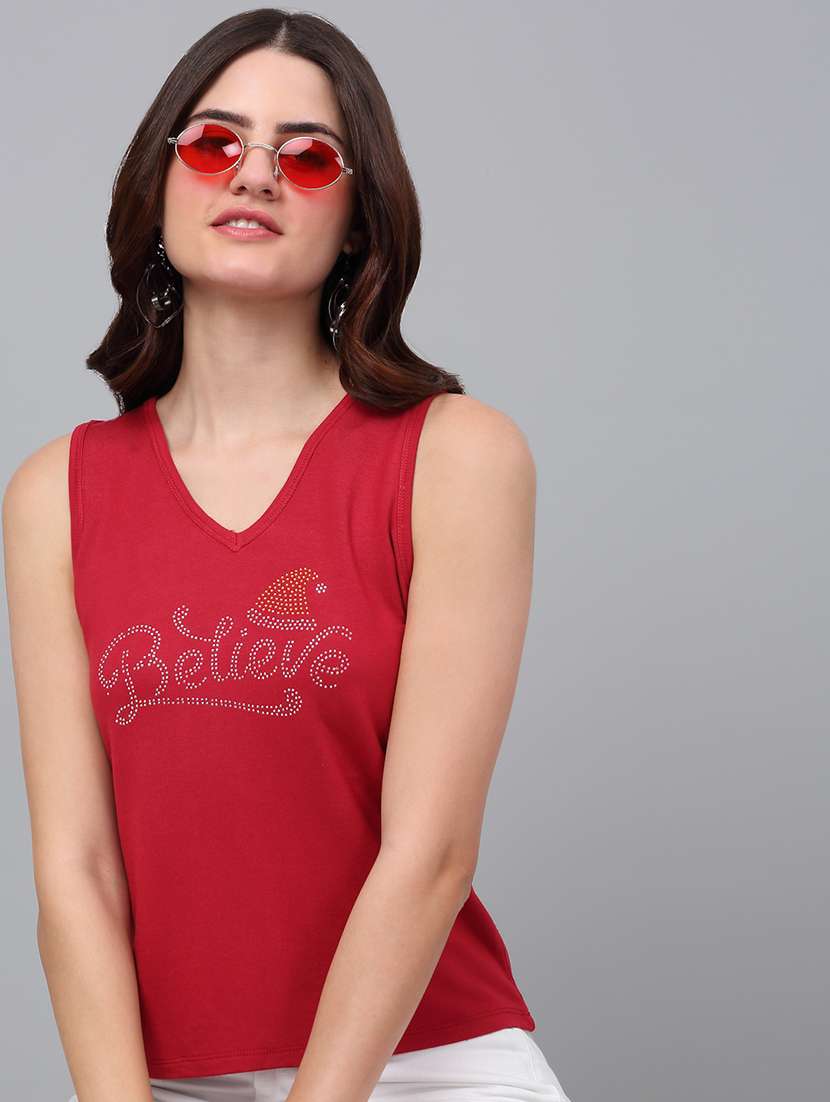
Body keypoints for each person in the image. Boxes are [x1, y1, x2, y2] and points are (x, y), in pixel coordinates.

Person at [2, 9, 573, 1102]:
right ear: (159, 184)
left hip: (419, 1065)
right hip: (169, 1079)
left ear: (357, 221)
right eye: (216, 143)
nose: (255, 174)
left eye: (308, 157)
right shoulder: (54, 496)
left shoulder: (454, 458)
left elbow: (429, 853)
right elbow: (76, 871)